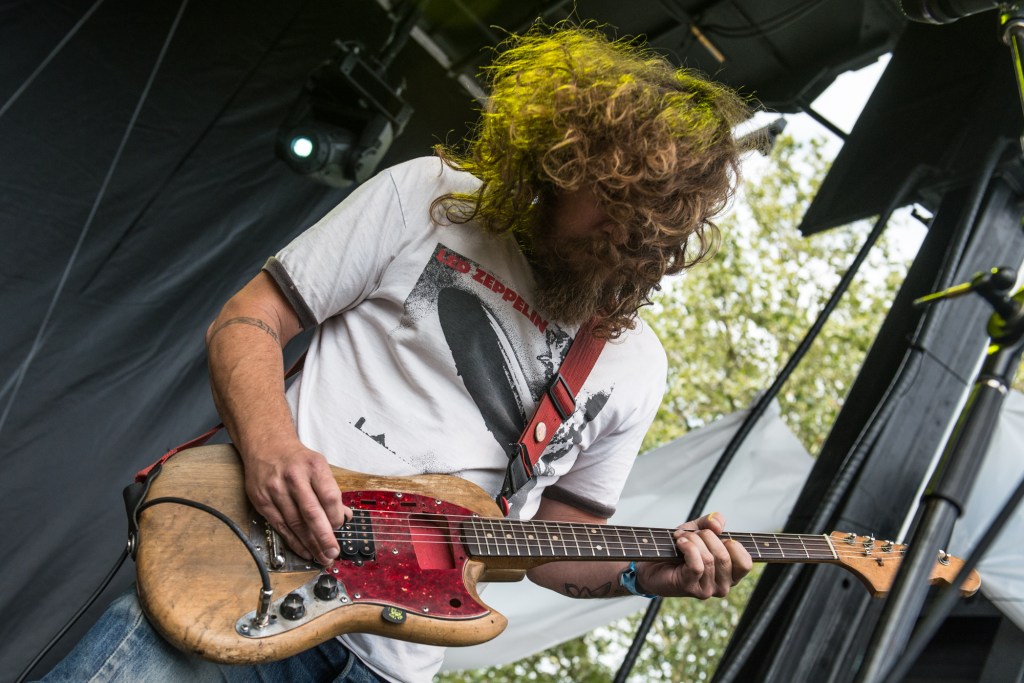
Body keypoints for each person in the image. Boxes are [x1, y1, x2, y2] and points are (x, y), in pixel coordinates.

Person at [42, 24, 752, 683]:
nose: (625, 242)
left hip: (389, 663)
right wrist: (270, 449)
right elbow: (248, 319)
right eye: (615, 207)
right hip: (250, 572)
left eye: (650, 232)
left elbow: (557, 547)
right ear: (567, 162)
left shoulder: (635, 363)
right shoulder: (432, 196)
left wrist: (640, 574)